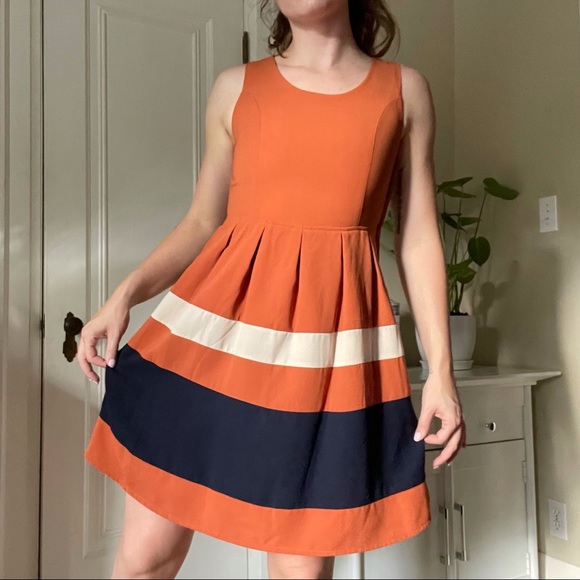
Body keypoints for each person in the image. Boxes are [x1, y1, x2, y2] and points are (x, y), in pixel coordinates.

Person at [78, 0, 466, 578]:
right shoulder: (234, 88)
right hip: (208, 354)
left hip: (321, 368)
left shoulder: (405, 92)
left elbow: (417, 237)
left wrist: (441, 371)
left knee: (299, 573)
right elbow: (202, 222)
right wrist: (124, 295)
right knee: (145, 560)